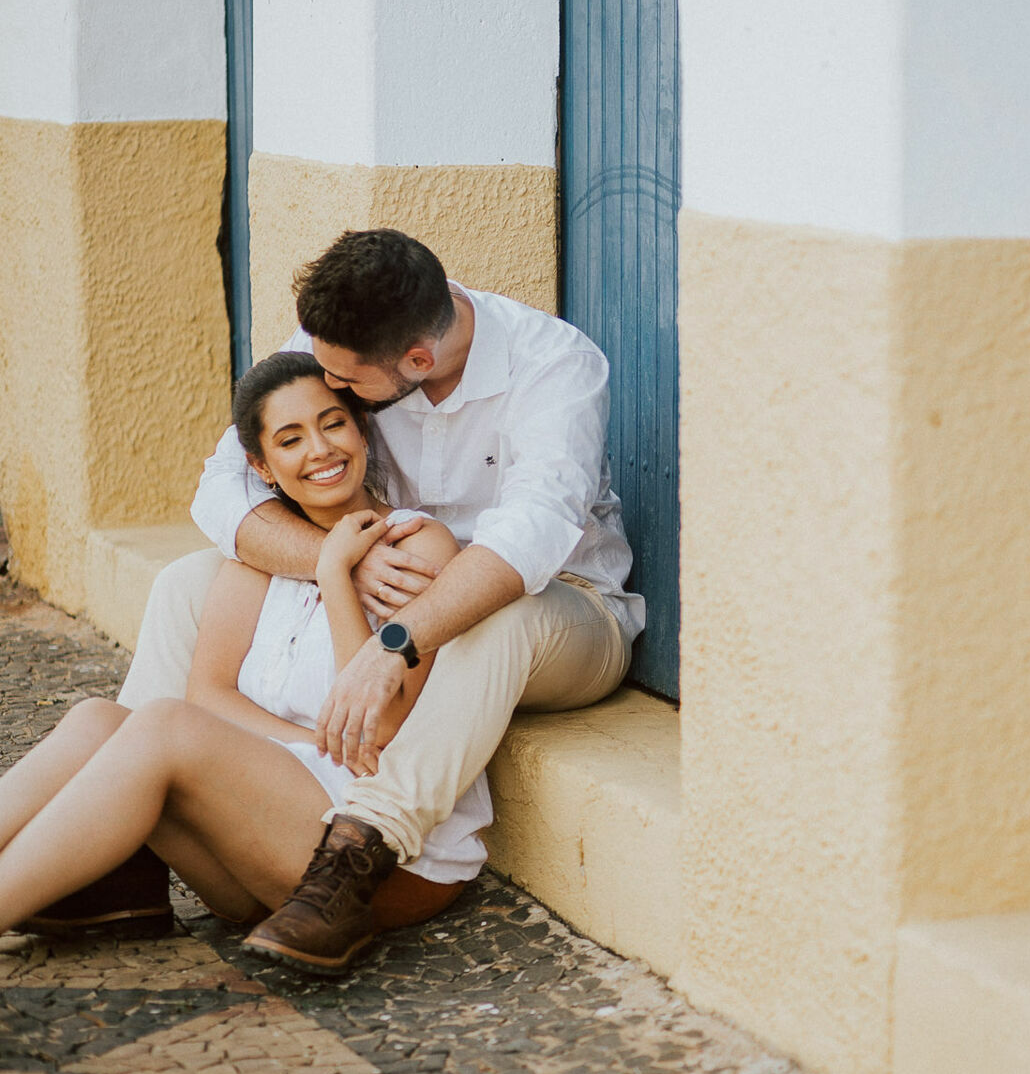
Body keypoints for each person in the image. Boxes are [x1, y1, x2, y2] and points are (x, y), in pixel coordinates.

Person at [114, 229, 640, 973]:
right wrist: (340, 566)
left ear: (417, 363)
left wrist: (396, 644)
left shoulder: (555, 364)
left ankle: (357, 855)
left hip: (566, 611)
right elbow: (223, 483)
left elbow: (531, 535)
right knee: (189, 579)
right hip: (393, 576)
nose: (334, 393)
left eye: (346, 390)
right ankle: (125, 839)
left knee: (496, 618)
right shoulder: (347, 339)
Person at [0, 354, 486, 970]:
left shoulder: (417, 546)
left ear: (361, 430)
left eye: (333, 423)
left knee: (161, 723)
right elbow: (209, 695)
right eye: (290, 439)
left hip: (381, 861)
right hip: (266, 833)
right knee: (98, 717)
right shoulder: (260, 553)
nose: (319, 449)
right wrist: (302, 741)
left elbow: (380, 727)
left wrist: (338, 574)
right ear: (262, 466)